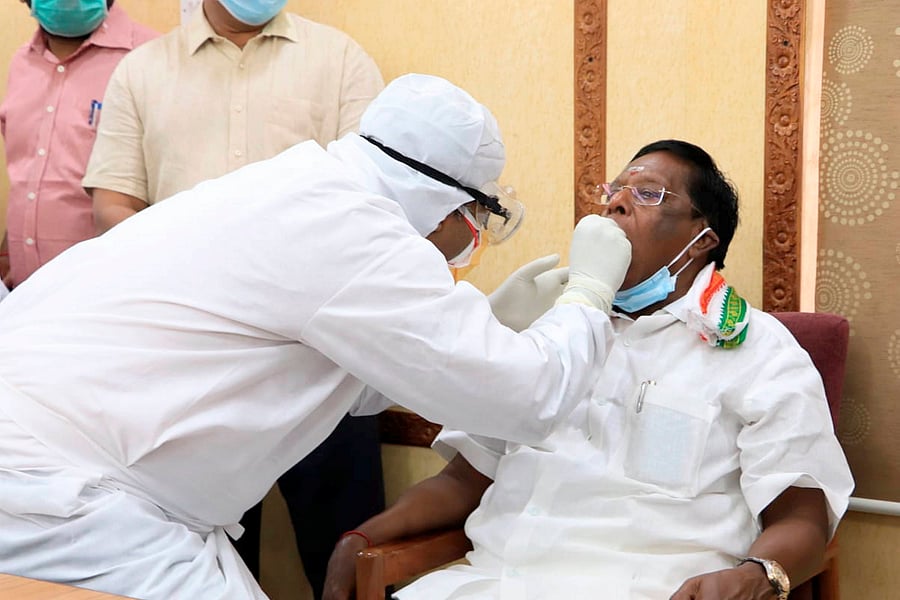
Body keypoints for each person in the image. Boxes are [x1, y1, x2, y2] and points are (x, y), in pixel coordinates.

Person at [0, 73, 633, 600]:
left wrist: (487, 326)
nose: (471, 236)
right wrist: (590, 296)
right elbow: (527, 400)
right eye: (476, 218)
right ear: (445, 202)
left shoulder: (296, 185)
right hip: (66, 497)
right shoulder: (359, 231)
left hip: (55, 468)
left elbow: (336, 379)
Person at [322, 139, 855, 600]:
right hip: (495, 583)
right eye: (613, 191)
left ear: (702, 240)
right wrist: (362, 537)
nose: (618, 203)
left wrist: (757, 575)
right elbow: (464, 479)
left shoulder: (758, 349)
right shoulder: (552, 335)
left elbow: (800, 517)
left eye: (648, 194)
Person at [80, 0, 385, 591]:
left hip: (318, 355)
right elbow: (113, 202)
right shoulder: (142, 71)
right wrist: (182, 268)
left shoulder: (340, 59)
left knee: (345, 540)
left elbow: (372, 201)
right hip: (186, 365)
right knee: (194, 555)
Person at [0, 0, 156, 290]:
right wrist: (11, 253)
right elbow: (27, 181)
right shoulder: (21, 62)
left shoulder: (151, 59)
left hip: (108, 296)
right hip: (24, 295)